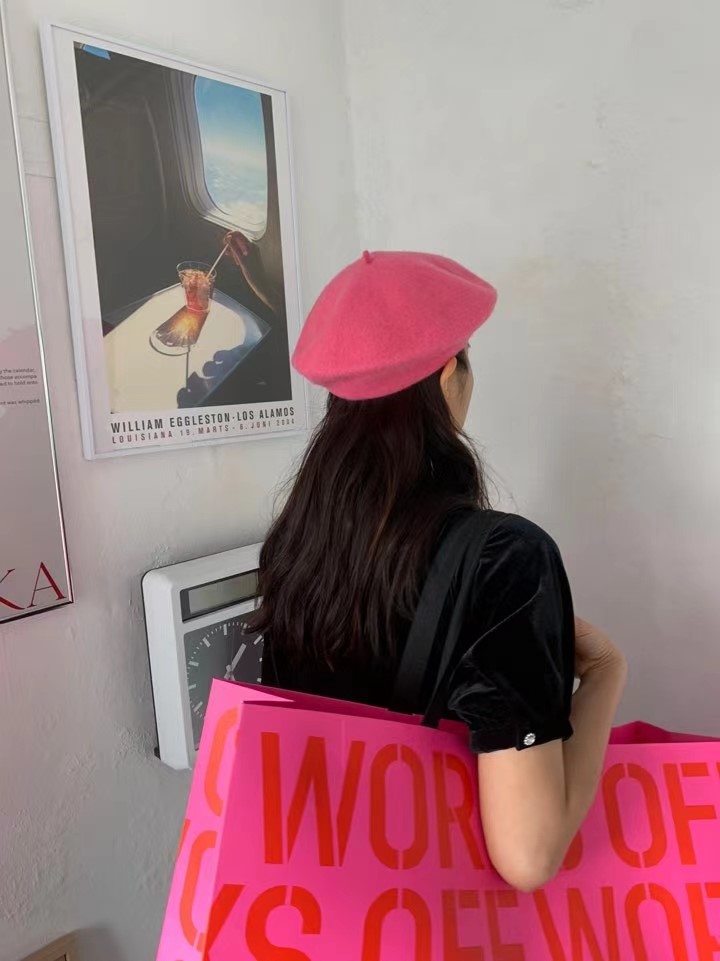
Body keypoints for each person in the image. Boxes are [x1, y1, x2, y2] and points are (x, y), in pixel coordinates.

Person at [250, 250, 627, 892]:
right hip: (429, 914)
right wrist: (605, 677)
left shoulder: (296, 545)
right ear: (450, 369)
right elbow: (528, 858)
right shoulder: (506, 558)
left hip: (320, 904)